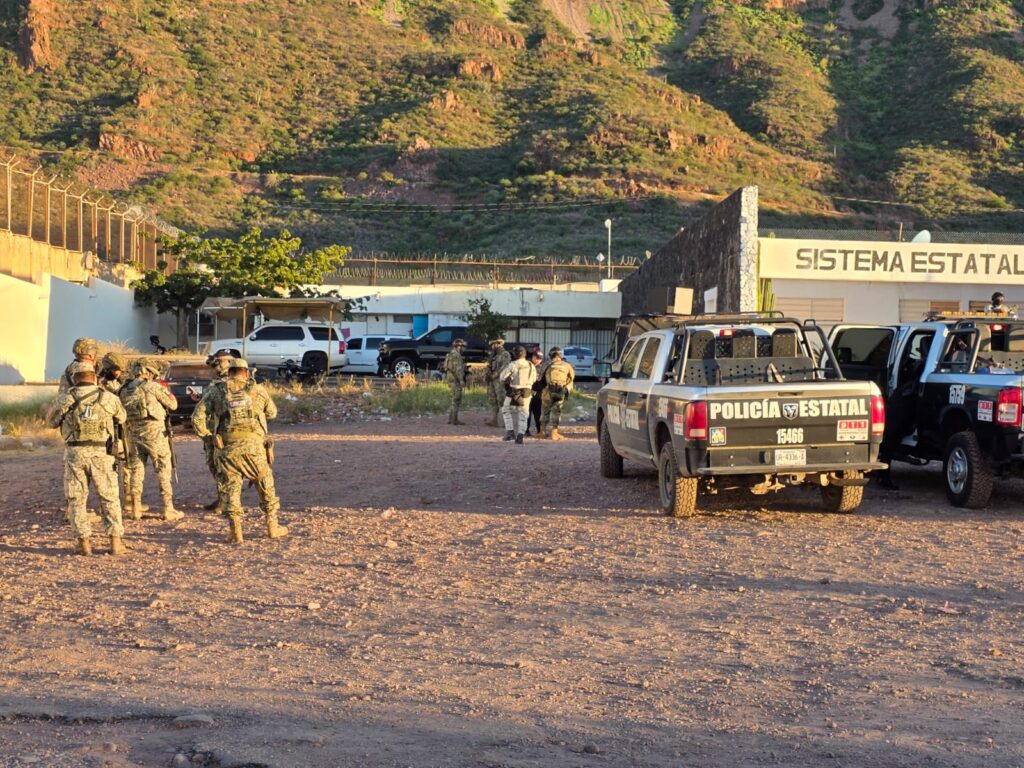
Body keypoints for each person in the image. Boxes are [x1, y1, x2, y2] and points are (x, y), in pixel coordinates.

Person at [192, 358, 285, 545]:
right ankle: (272, 527)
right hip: (254, 448)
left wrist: (210, 438)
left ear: (230, 372)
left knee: (230, 488)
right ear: (246, 372)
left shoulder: (217, 390)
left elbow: (196, 419)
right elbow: (272, 413)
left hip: (226, 449)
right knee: (265, 482)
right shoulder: (257, 390)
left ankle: (236, 532)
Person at [45, 361, 128, 556]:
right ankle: (115, 543)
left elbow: (50, 422)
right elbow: (122, 418)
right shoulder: (108, 398)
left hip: (75, 454)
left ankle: (84, 544)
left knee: (76, 499)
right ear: (93, 376)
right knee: (109, 497)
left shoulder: (65, 399)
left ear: (74, 378)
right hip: (102, 454)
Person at [119, 361, 182, 522]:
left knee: (135, 469)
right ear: (148, 372)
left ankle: (135, 508)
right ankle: (168, 508)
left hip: (132, 433)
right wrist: (167, 391)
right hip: (155, 433)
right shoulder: (153, 387)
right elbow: (173, 405)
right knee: (162, 468)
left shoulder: (124, 389)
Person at [200, 349, 235, 512]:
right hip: (212, 430)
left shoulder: (232, 382)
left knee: (224, 466)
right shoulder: (215, 382)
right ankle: (222, 497)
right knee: (213, 464)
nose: (216, 365)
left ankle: (227, 501)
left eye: (220, 362)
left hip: (225, 431)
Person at [499, 346, 537, 444]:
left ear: (515, 354)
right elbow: (534, 379)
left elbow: (502, 377)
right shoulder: (531, 365)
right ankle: (520, 436)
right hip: (527, 392)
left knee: (506, 409)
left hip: (513, 391)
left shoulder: (513, 364)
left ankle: (510, 432)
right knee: (524, 414)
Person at [539, 347, 576, 441]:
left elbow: (539, 378)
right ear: (561, 355)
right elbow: (571, 379)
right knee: (557, 411)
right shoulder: (567, 365)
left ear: (550, 355)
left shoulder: (546, 364)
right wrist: (565, 388)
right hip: (560, 391)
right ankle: (554, 433)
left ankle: (542, 432)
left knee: (544, 411)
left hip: (548, 391)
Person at [484, 338, 511, 427]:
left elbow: (505, 366)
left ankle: (506, 421)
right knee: (492, 399)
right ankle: (494, 419)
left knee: (502, 400)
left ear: (499, 344)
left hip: (500, 380)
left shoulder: (505, 354)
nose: (492, 346)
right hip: (492, 380)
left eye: (493, 344)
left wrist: (496, 374)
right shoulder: (493, 355)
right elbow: (489, 365)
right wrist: (487, 375)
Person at [442, 338, 467, 425]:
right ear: (459, 346)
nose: (464, 348)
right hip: (455, 380)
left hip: (450, 379)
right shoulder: (457, 355)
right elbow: (458, 369)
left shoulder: (450, 354)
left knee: (452, 399)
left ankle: (450, 419)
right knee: (456, 399)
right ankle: (454, 420)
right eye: (463, 346)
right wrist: (461, 380)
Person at [526, 348, 544, 436]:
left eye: (539, 358)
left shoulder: (543, 368)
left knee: (538, 414)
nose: (537, 360)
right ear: (532, 356)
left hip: (539, 394)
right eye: (536, 357)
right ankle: (526, 431)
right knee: (526, 413)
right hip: (527, 392)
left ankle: (539, 431)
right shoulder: (526, 366)